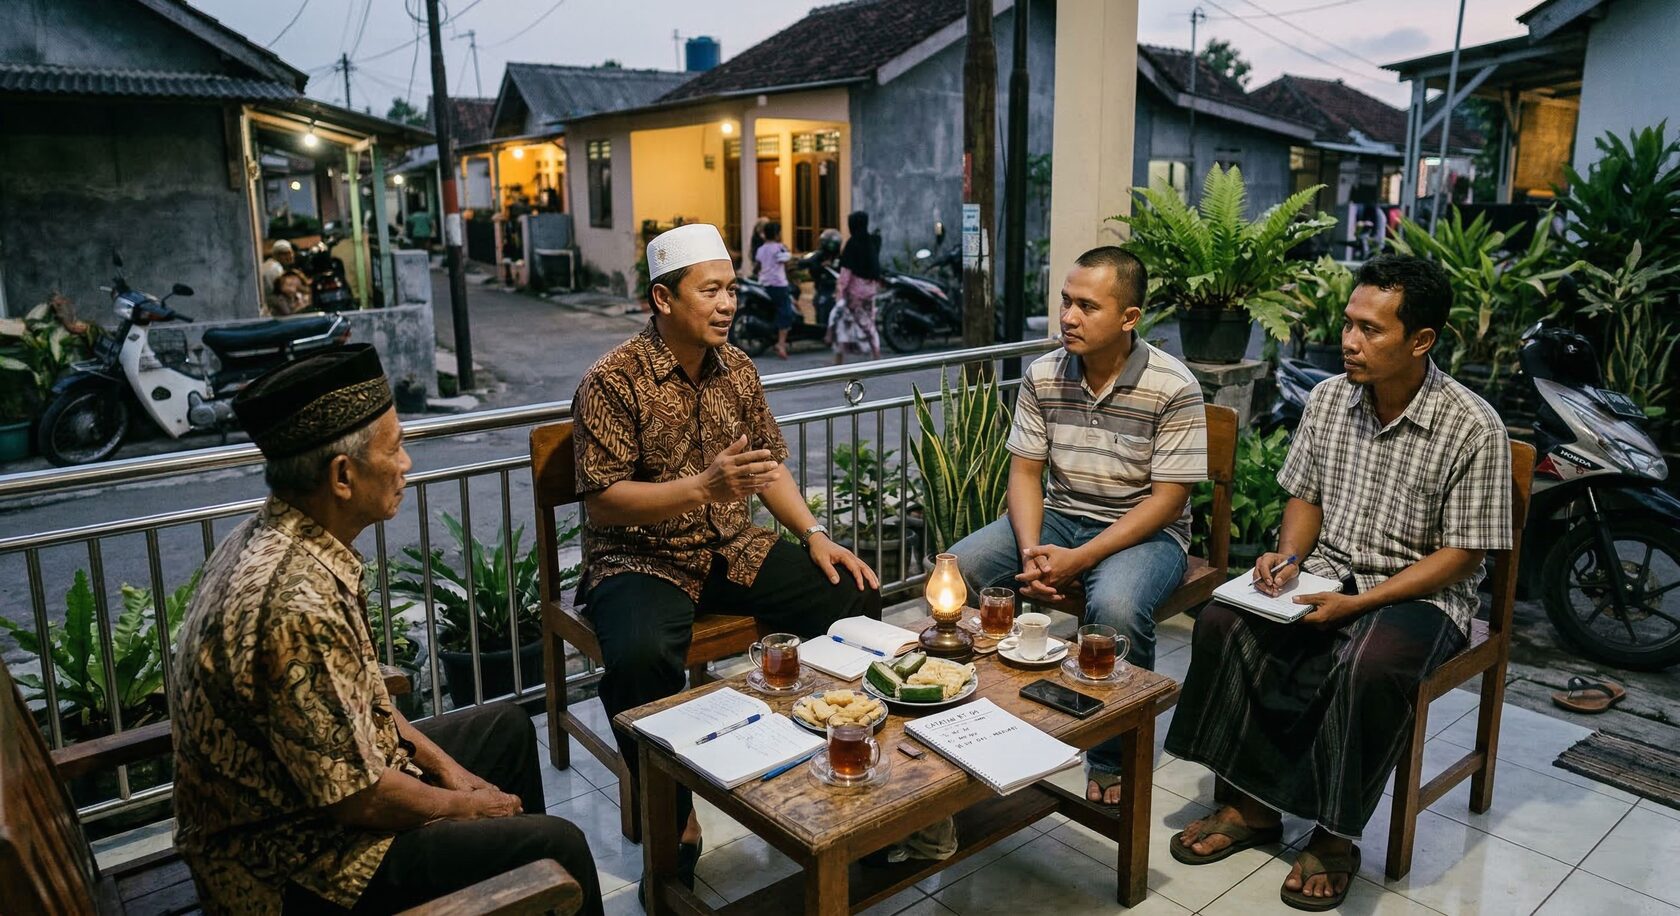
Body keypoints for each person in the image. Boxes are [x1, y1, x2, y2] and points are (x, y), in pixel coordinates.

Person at [170, 345, 603, 916]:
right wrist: (467, 806)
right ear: (343, 476)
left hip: (333, 802)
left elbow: (364, 700)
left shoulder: (290, 539)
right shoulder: (294, 605)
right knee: (558, 847)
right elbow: (360, 800)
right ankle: (526, 880)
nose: (406, 464)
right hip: (296, 866)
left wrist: (452, 772)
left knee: (505, 728)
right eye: (395, 447)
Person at [1164, 254, 1512, 911]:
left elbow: (1464, 555)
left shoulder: (1472, 425)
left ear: (1421, 340)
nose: (1350, 341)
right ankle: (1252, 804)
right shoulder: (1329, 398)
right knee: (1224, 622)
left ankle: (1334, 835)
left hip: (1421, 592)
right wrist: (1289, 557)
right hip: (1329, 569)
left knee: (1366, 665)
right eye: (1349, 324)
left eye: (1370, 330)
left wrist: (1360, 602)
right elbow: (1306, 498)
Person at [573, 223, 882, 894]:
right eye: (709, 290)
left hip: (731, 549)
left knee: (850, 592)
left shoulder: (736, 368)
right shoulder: (611, 381)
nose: (727, 304)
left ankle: (833, 753)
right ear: (662, 297)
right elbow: (602, 502)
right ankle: (674, 819)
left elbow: (765, 467)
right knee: (638, 658)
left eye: (732, 289)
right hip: (641, 557)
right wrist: (701, 488)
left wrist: (815, 533)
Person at [949, 246, 1207, 806]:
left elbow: (1167, 501)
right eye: (1066, 301)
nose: (1067, 316)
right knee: (961, 567)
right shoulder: (1045, 374)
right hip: (1062, 519)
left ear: (1129, 318)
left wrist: (1080, 559)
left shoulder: (1173, 385)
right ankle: (989, 714)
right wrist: (1030, 552)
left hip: (1144, 531)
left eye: (1086, 306)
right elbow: (1024, 473)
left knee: (1114, 609)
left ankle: (1113, 756)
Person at [827, 210, 882, 364]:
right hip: (870, 291)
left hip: (854, 293)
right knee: (868, 323)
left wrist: (839, 292)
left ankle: (838, 360)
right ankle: (876, 355)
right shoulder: (872, 242)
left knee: (842, 324)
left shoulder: (852, 244)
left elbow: (845, 273)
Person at [755, 220, 796, 358]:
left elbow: (757, 266)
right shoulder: (779, 248)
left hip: (764, 284)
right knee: (786, 313)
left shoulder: (760, 249)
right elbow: (788, 258)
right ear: (777, 234)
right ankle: (781, 344)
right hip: (779, 285)